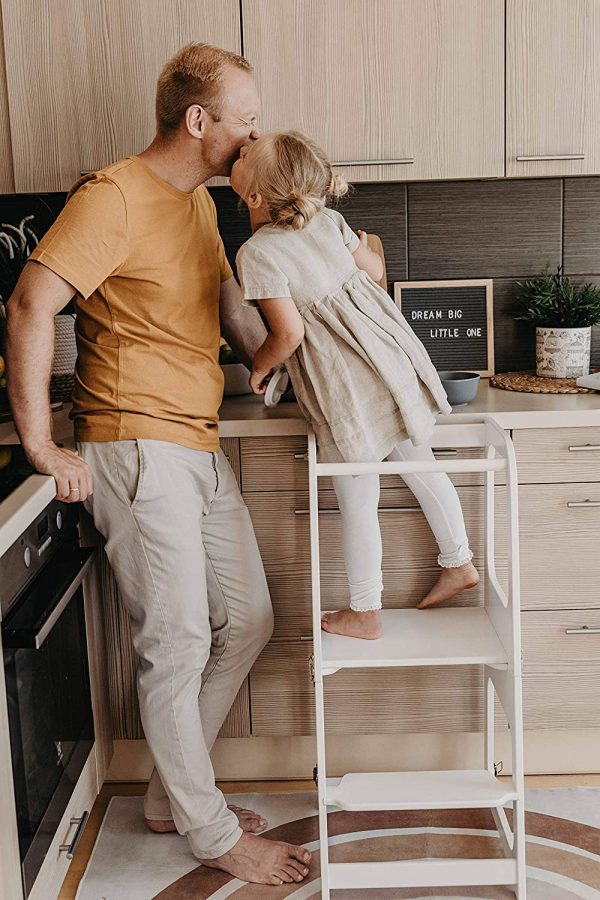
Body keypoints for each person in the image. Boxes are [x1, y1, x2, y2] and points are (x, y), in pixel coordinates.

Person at [6, 46, 311, 887]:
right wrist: (41, 444)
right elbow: (33, 301)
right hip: (135, 446)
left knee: (245, 619)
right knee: (174, 642)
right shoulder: (113, 197)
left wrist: (319, 313)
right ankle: (210, 831)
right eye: (245, 116)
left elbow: (247, 333)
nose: (257, 130)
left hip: (196, 444)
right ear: (199, 120)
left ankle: (167, 796)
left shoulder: (203, 210)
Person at [230, 130, 480, 641]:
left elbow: (288, 334)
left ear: (254, 197)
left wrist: (258, 368)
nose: (241, 145)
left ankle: (366, 610)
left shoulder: (257, 253)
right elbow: (375, 272)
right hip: (390, 368)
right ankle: (459, 561)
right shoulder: (329, 221)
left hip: (346, 391)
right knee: (423, 466)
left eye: (244, 155)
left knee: (357, 496)